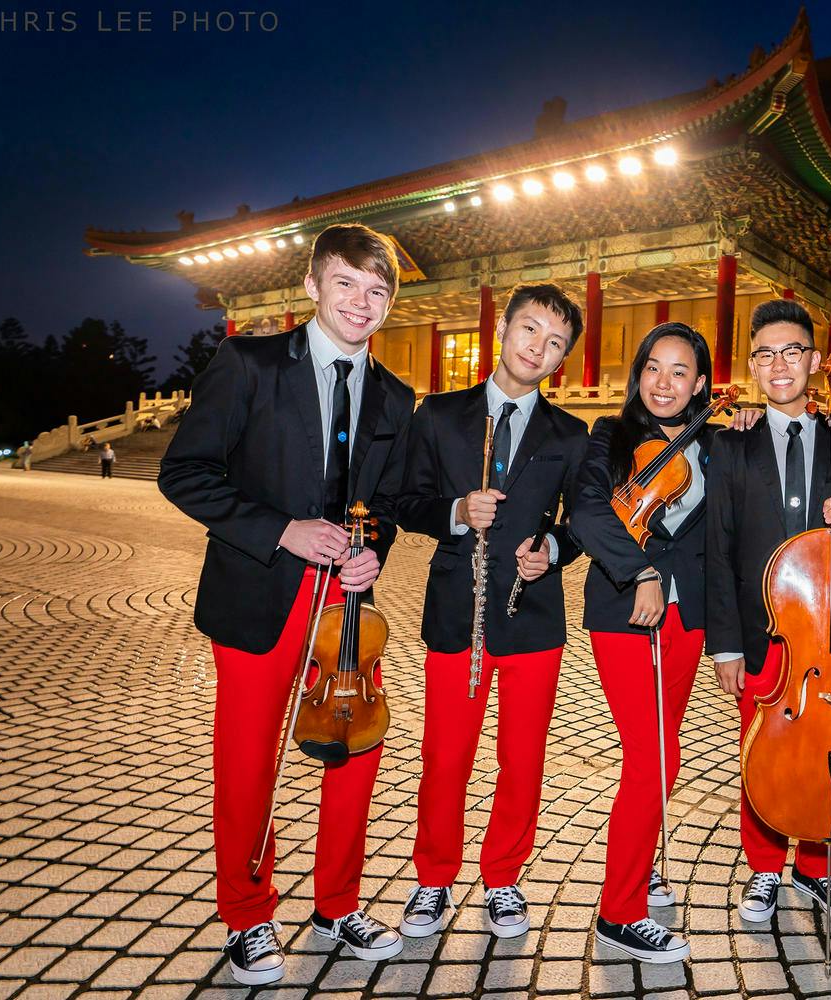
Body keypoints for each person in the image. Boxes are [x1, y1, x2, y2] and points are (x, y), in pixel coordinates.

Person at [158, 224, 415, 985]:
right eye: (345, 284)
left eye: (378, 291)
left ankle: (338, 904)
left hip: (346, 607)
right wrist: (282, 532)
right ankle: (246, 913)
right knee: (248, 762)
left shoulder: (397, 396)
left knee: (355, 751)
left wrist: (377, 548)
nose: (361, 303)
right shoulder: (250, 364)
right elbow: (186, 473)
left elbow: (390, 502)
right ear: (312, 285)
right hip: (260, 590)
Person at [397, 284, 589, 943]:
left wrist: (555, 549)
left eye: (555, 342)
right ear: (502, 328)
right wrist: (455, 514)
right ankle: (433, 876)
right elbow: (408, 500)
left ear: (562, 359)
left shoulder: (571, 433)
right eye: (529, 329)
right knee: (445, 756)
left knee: (523, 757)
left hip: (532, 616)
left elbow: (584, 520)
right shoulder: (440, 414)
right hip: (457, 609)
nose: (538, 346)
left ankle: (504, 876)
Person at [706, 298, 831, 926]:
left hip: (830, 627)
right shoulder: (732, 443)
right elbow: (717, 547)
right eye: (765, 354)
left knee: (829, 747)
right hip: (759, 629)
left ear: (814, 358)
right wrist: (724, 643)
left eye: (792, 351)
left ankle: (817, 871)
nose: (780, 365)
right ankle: (764, 868)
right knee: (763, 751)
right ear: (752, 364)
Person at [569, 322, 718, 963]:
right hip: (627, 608)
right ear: (638, 375)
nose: (664, 382)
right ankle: (619, 909)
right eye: (653, 368)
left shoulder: (713, 441)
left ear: (701, 383)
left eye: (680, 371)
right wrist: (641, 571)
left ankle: (645, 859)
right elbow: (587, 511)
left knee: (668, 745)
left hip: (687, 617)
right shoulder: (610, 433)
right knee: (654, 755)